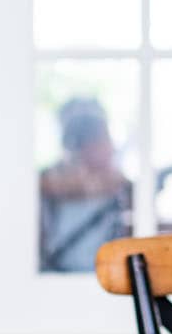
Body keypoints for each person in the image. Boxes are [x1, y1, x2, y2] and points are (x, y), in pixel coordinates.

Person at [38, 97, 131, 271]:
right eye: (104, 140)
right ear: (84, 145)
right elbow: (58, 186)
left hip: (100, 270)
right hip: (64, 272)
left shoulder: (115, 180)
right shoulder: (54, 178)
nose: (111, 148)